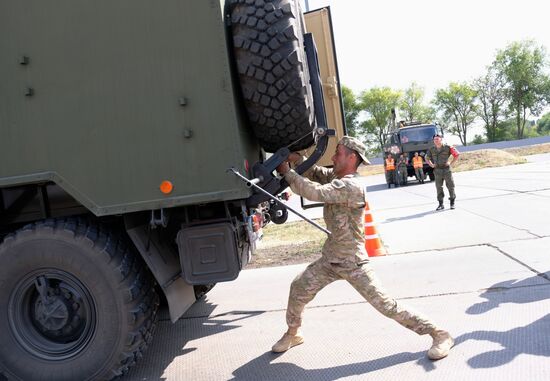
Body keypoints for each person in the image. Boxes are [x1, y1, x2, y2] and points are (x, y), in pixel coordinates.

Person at [272, 136, 454, 360]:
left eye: (337, 153)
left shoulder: (351, 185)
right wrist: (296, 158)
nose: (333, 157)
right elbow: (316, 173)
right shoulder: (339, 177)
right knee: (298, 287)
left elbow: (314, 192)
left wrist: (286, 172)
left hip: (352, 262)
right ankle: (293, 333)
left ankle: (439, 334)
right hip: (330, 260)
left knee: (387, 306)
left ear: (351, 157)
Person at [425, 134, 460, 210]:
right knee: (439, 187)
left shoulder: (448, 147)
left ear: (441, 139)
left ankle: (452, 203)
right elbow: (427, 158)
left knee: (450, 186)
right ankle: (441, 204)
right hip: (437, 170)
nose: (436, 141)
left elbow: (457, 154)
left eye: (437, 139)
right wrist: (431, 164)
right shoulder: (431, 149)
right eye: (434, 139)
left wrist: (450, 163)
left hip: (446, 170)